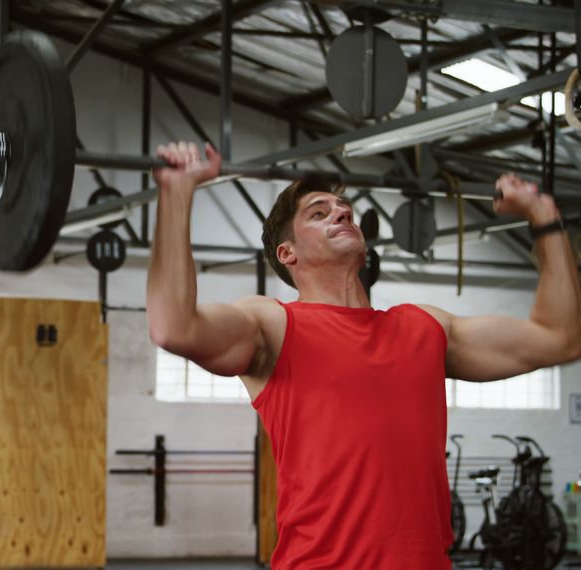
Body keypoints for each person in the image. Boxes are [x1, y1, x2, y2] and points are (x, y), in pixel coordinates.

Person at [146, 142, 581, 568]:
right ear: (287, 253)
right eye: (318, 213)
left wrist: (544, 218)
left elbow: (561, 337)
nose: (340, 212)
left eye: (343, 210)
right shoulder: (272, 326)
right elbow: (174, 327)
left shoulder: (424, 328)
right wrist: (177, 196)